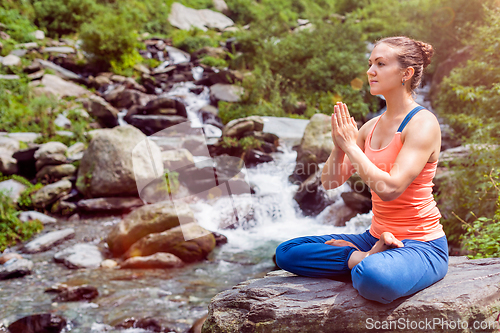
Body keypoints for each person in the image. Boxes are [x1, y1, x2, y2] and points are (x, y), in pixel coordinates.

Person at [275, 36, 448, 304]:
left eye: (380, 63)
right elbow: (331, 181)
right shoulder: (370, 127)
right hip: (374, 238)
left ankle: (368, 262)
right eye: (370, 64)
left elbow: (390, 189)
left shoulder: (423, 124)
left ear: (406, 73)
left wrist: (351, 147)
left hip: (421, 245)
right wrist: (339, 145)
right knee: (287, 251)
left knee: (373, 278)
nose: (370, 71)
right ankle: (362, 257)